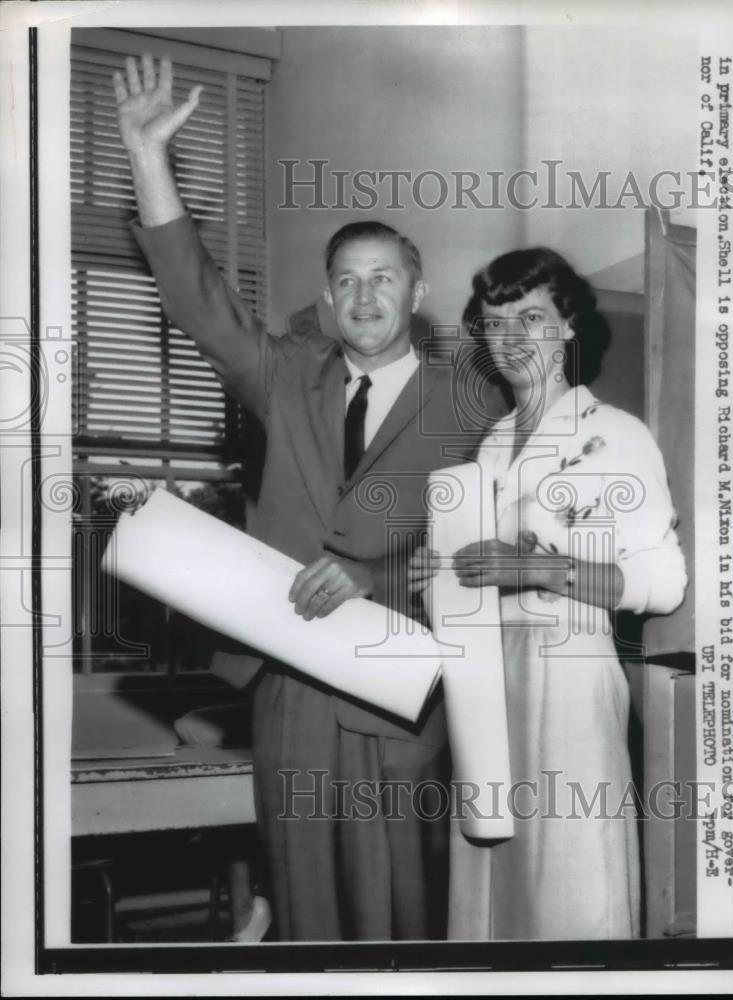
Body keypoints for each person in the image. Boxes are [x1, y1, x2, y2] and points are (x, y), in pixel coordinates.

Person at [112, 54, 503, 941]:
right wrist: (146, 156)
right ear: (327, 299)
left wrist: (379, 579)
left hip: (403, 691)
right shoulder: (286, 374)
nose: (365, 296)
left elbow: (487, 556)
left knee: (402, 912)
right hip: (288, 688)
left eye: (384, 277)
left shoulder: (471, 404)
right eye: (348, 281)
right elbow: (201, 302)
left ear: (418, 292)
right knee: (302, 908)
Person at [409, 248, 688, 940]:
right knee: (492, 883)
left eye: (530, 318)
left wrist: (537, 569)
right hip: (484, 678)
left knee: (568, 883)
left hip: (568, 675)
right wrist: (438, 574)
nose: (510, 338)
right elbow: (483, 569)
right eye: (494, 322)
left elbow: (663, 581)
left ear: (567, 326)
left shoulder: (613, 434)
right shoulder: (492, 442)